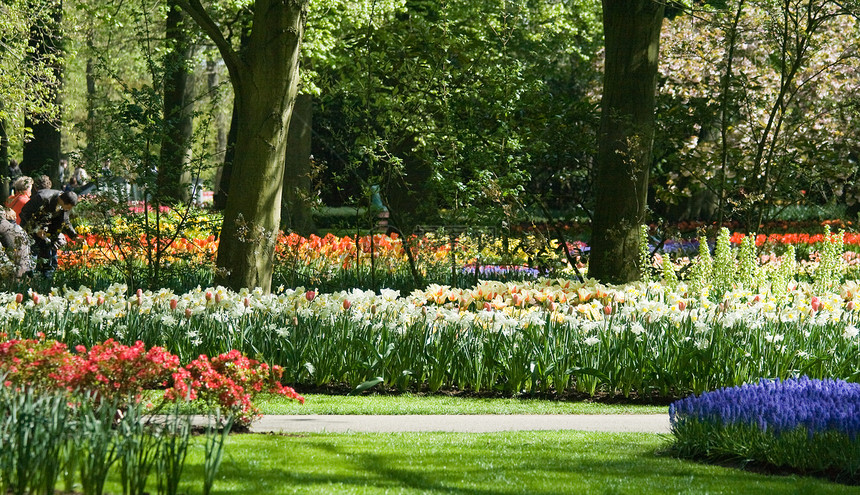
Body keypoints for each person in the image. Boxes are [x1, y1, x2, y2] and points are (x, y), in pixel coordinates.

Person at [19, 189, 78, 278]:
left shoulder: (65, 204)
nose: (68, 210)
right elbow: (24, 212)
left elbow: (65, 221)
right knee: (31, 258)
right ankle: (28, 281)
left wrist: (74, 236)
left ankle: (45, 283)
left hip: (47, 234)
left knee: (48, 261)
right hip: (31, 229)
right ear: (62, 200)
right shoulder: (42, 198)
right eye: (68, 207)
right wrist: (36, 229)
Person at [0, 207, 32, 278]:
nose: (15, 218)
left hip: (14, 270)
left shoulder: (3, 228)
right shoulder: (19, 229)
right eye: (14, 216)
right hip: (25, 267)